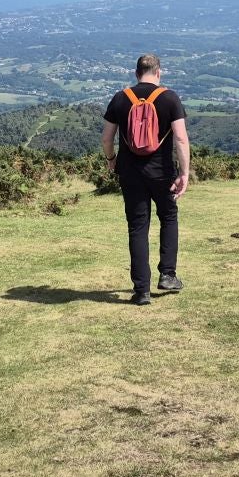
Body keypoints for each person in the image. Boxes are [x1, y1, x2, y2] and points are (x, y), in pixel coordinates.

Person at [101, 53, 190, 306]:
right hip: (162, 172)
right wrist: (184, 173)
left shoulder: (121, 99)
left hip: (130, 173)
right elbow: (181, 139)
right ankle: (168, 275)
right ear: (158, 72)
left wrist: (111, 160)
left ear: (136, 73)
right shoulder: (169, 98)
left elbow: (107, 139)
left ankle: (141, 291)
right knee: (168, 218)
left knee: (138, 227)